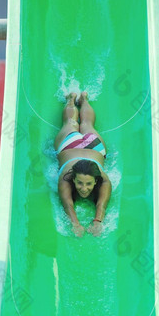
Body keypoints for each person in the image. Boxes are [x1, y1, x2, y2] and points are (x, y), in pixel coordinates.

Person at [54, 91, 112, 237]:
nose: (84, 189)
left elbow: (101, 205)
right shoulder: (65, 179)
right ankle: (75, 99)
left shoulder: (104, 181)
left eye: (88, 184)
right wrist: (75, 223)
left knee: (71, 123)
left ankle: (77, 99)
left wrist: (98, 221)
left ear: (96, 181)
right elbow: (67, 204)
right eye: (79, 183)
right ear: (73, 178)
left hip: (82, 146)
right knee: (86, 124)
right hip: (84, 146)